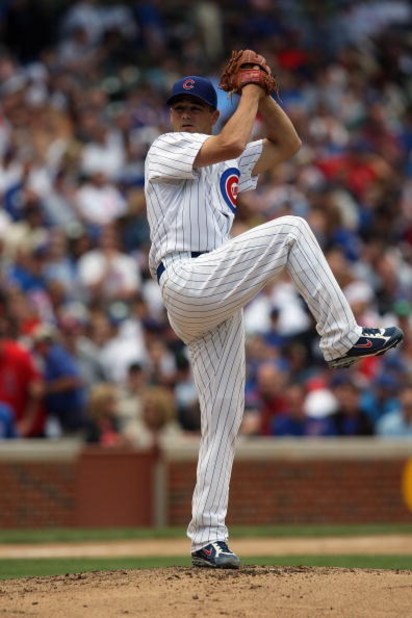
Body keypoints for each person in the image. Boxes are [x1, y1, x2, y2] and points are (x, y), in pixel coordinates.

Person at [144, 54, 404, 569]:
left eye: (197, 106)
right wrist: (247, 94)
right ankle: (338, 337)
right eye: (180, 107)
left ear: (212, 112)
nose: (187, 114)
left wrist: (262, 93)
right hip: (187, 277)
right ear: (172, 117)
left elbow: (288, 145)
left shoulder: (227, 160)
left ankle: (207, 535)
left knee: (223, 418)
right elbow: (234, 142)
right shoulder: (167, 147)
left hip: (213, 288)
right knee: (290, 230)